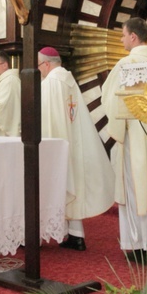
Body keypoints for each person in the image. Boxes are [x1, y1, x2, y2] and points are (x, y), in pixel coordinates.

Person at [100, 17, 147, 262]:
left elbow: (111, 100)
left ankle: (139, 246)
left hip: (135, 136)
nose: (121, 39)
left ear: (133, 37)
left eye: (122, 35)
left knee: (135, 189)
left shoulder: (126, 64)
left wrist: (117, 128)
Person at [38, 47, 115, 251]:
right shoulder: (68, 79)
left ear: (46, 64)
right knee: (74, 184)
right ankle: (75, 235)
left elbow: (47, 117)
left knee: (59, 184)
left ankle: (52, 233)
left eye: (39, 66)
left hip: (56, 142)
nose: (40, 71)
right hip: (73, 141)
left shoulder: (52, 83)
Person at [0, 51, 21, 137]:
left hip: (4, 135)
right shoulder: (5, 81)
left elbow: (2, 109)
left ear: (5, 65)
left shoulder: (10, 81)